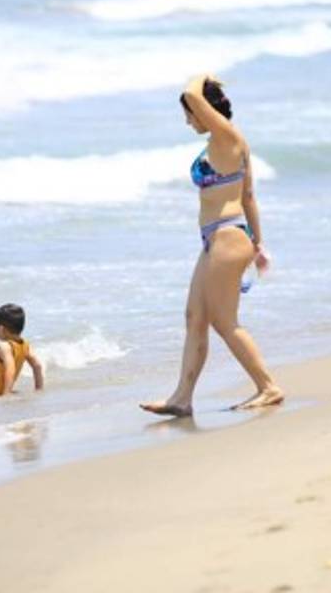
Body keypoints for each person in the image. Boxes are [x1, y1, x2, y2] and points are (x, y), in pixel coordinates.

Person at [141, 76, 283, 417]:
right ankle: (182, 397)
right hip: (220, 237)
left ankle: (268, 386)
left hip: (227, 236)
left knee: (224, 321)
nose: (187, 120)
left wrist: (203, 76)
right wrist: (260, 242)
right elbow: (249, 196)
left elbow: (192, 91)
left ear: (204, 110)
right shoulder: (227, 143)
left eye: (189, 113)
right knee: (195, 317)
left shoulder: (227, 136)